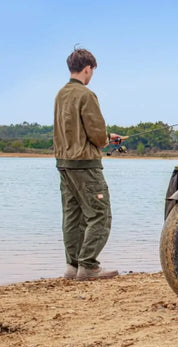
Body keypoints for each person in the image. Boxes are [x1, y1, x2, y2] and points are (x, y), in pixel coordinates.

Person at [53, 48, 121, 281]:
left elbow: (75, 130)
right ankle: (89, 266)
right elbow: (96, 134)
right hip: (85, 165)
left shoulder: (61, 94)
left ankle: (72, 266)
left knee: (72, 215)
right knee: (100, 214)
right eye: (92, 71)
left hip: (64, 163)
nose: (92, 75)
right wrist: (105, 139)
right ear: (87, 68)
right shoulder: (86, 95)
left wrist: (103, 136)